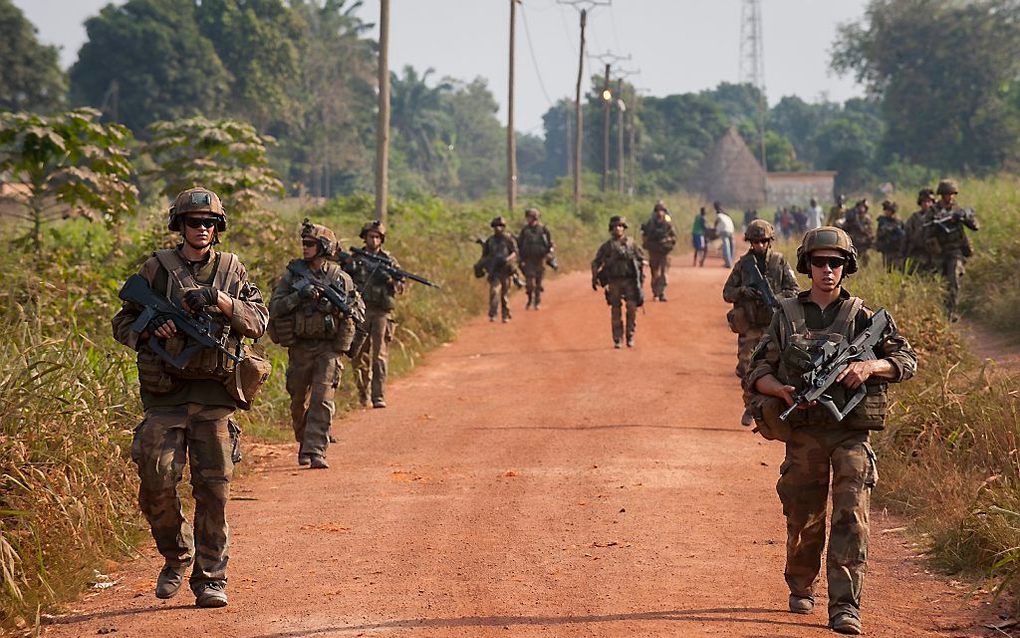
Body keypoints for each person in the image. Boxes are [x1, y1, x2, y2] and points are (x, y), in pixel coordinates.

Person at [744, 226, 917, 635]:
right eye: (820, 262)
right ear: (807, 265)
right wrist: (780, 390)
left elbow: (906, 360)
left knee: (852, 516)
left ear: (846, 266)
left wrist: (869, 366)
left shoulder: (862, 317)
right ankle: (801, 583)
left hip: (850, 433)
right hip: (805, 434)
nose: (827, 270)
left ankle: (845, 605)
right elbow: (758, 370)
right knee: (803, 516)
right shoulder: (786, 315)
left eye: (835, 262)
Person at [112, 187, 269, 608]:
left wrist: (220, 300)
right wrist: (150, 328)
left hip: (215, 398)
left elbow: (258, 321)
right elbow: (121, 323)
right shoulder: (157, 269)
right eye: (192, 222)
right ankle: (175, 555)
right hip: (166, 398)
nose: (201, 229)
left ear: (218, 229)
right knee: (156, 481)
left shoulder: (232, 270)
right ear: (179, 226)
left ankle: (211, 577)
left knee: (214, 491)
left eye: (208, 223)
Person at [269, 220, 364, 466]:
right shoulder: (292, 276)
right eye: (303, 243)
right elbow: (275, 308)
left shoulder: (341, 279)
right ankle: (305, 440)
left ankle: (315, 450)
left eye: (310, 244)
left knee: (322, 399)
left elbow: (355, 310)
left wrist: (341, 313)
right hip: (300, 347)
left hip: (328, 348)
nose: (305, 247)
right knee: (298, 400)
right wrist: (298, 296)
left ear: (323, 247)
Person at [722, 220, 799, 426]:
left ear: (769, 241)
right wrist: (742, 291)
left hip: (773, 327)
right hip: (750, 326)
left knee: (777, 369)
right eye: (755, 242)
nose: (760, 245)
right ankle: (750, 406)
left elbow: (794, 290)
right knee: (746, 368)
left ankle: (777, 410)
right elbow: (726, 293)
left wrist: (776, 298)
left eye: (763, 241)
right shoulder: (743, 265)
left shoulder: (779, 262)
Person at [346, 220, 403, 408]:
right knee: (358, 355)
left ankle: (378, 395)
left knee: (379, 356)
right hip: (360, 313)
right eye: (371, 236)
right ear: (365, 237)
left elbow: (400, 286)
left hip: (381, 313)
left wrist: (388, 280)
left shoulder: (389, 261)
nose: (374, 240)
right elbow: (344, 281)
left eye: (378, 237)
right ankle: (363, 392)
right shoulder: (355, 258)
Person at [919, 179, 980, 320]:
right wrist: (939, 225)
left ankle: (951, 311)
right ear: (941, 195)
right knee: (941, 282)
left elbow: (975, 226)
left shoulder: (958, 210)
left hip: (955, 251)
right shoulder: (933, 212)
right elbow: (926, 232)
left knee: (953, 279)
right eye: (947, 194)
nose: (950, 197)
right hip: (939, 252)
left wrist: (964, 218)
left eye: (952, 194)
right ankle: (941, 310)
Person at [591, 215, 645, 348]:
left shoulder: (632, 244)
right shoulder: (607, 246)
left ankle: (630, 336)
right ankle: (617, 339)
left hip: (630, 281)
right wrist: (594, 277)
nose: (618, 229)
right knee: (616, 310)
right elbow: (596, 262)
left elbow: (641, 258)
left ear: (624, 228)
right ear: (611, 229)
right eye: (615, 226)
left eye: (620, 226)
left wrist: (640, 267)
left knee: (632, 308)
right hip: (614, 281)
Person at [478, 216, 519, 322]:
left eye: (500, 226)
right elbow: (485, 255)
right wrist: (481, 266)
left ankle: (505, 315)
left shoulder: (508, 239)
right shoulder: (490, 241)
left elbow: (515, 252)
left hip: (506, 270)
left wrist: (508, 259)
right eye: (496, 226)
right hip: (494, 271)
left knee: (504, 295)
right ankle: (493, 314)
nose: (498, 228)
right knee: (494, 292)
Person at [517, 207, 555, 310]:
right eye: (528, 217)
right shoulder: (524, 230)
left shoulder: (543, 230)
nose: (528, 219)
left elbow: (550, 243)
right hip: (528, 259)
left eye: (530, 217)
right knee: (530, 283)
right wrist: (520, 258)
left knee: (538, 283)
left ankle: (537, 302)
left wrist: (549, 254)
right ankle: (530, 299)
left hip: (540, 259)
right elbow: (519, 244)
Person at [640, 200, 678, 301]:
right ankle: (656, 293)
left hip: (665, 252)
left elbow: (674, 237)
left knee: (664, 274)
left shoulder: (668, 224)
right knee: (654, 274)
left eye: (661, 210)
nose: (659, 212)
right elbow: (645, 236)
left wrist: (667, 241)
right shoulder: (650, 223)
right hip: (653, 251)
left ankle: (661, 292)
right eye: (657, 210)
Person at [901, 188, 936, 273]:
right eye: (924, 202)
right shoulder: (914, 218)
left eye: (929, 202)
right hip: (918, 253)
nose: (927, 204)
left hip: (935, 254)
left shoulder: (937, 217)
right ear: (920, 203)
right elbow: (906, 236)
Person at [874, 201, 906, 272]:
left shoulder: (898, 222)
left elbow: (903, 235)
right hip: (887, 250)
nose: (887, 212)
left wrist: (896, 230)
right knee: (888, 269)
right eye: (886, 210)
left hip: (897, 250)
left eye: (889, 211)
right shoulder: (882, 222)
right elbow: (879, 234)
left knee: (898, 269)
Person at [842, 199, 874, 267]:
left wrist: (870, 237)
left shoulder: (867, 218)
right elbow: (845, 228)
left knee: (865, 259)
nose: (861, 209)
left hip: (863, 242)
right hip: (854, 241)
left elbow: (870, 230)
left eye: (863, 207)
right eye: (860, 207)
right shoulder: (852, 217)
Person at [713, 202, 735, 268]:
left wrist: (715, 229)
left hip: (724, 231)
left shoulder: (718, 215)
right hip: (731, 230)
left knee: (726, 247)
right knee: (731, 246)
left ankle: (728, 263)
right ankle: (731, 262)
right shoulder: (726, 215)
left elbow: (716, 223)